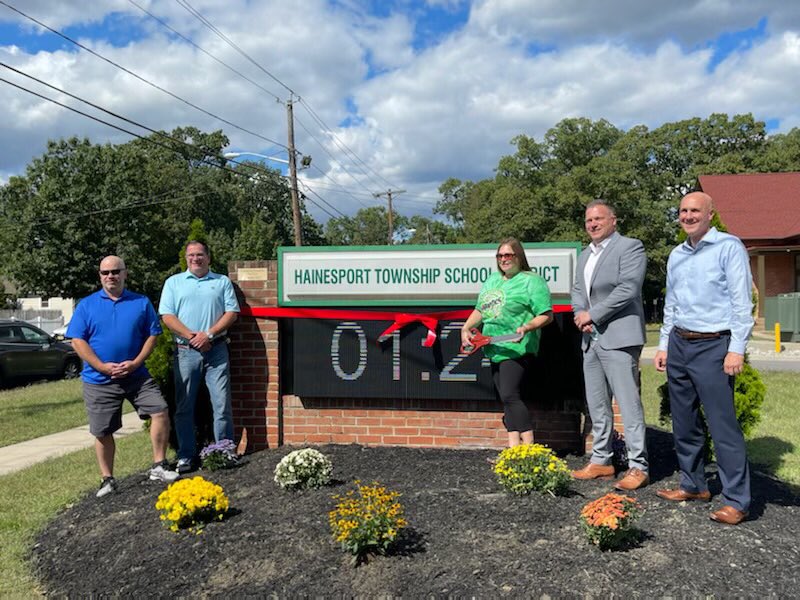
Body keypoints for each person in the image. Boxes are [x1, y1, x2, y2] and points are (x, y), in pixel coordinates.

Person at [654, 191, 754, 525]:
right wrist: (664, 344)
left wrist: (736, 347)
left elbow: (742, 302)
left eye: (695, 210)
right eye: (683, 210)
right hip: (680, 343)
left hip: (714, 345)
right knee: (684, 421)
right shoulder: (676, 254)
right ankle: (693, 484)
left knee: (722, 424)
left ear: (710, 214)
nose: (688, 215)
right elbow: (672, 303)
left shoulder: (729, 247)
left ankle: (737, 500)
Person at [67, 256, 178, 498]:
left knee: (159, 410)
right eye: (105, 272)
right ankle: (107, 479)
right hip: (99, 380)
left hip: (136, 375)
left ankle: (159, 466)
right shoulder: (86, 305)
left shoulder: (140, 302)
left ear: (125, 273)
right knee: (102, 430)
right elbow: (77, 340)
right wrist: (101, 367)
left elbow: (152, 335)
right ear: (100, 276)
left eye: (116, 271)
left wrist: (136, 362)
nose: (111, 276)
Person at [570, 200, 650, 490]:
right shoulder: (583, 255)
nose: (592, 224)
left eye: (598, 219)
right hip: (590, 339)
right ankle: (601, 460)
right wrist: (582, 316)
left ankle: (638, 465)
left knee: (628, 405)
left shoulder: (630, 247)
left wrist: (595, 313)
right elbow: (578, 290)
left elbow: (628, 288)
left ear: (613, 220)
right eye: (588, 220)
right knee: (597, 405)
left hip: (619, 337)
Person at [461, 238, 553, 447]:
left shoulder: (532, 280)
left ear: (519, 256)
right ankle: (513, 448)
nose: (504, 259)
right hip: (493, 346)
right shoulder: (492, 281)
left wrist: (528, 327)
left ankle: (529, 449)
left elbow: (547, 315)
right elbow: (480, 311)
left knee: (510, 394)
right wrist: (465, 328)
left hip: (517, 347)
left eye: (508, 255)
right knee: (506, 398)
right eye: (500, 255)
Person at [159, 241, 240, 473]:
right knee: (184, 406)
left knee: (221, 403)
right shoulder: (173, 283)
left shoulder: (222, 281)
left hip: (216, 349)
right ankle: (186, 455)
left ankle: (224, 451)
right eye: (191, 255)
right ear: (186, 258)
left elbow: (232, 313)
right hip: (186, 351)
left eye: (200, 254)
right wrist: (192, 336)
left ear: (208, 257)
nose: (196, 258)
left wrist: (209, 334)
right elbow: (167, 316)